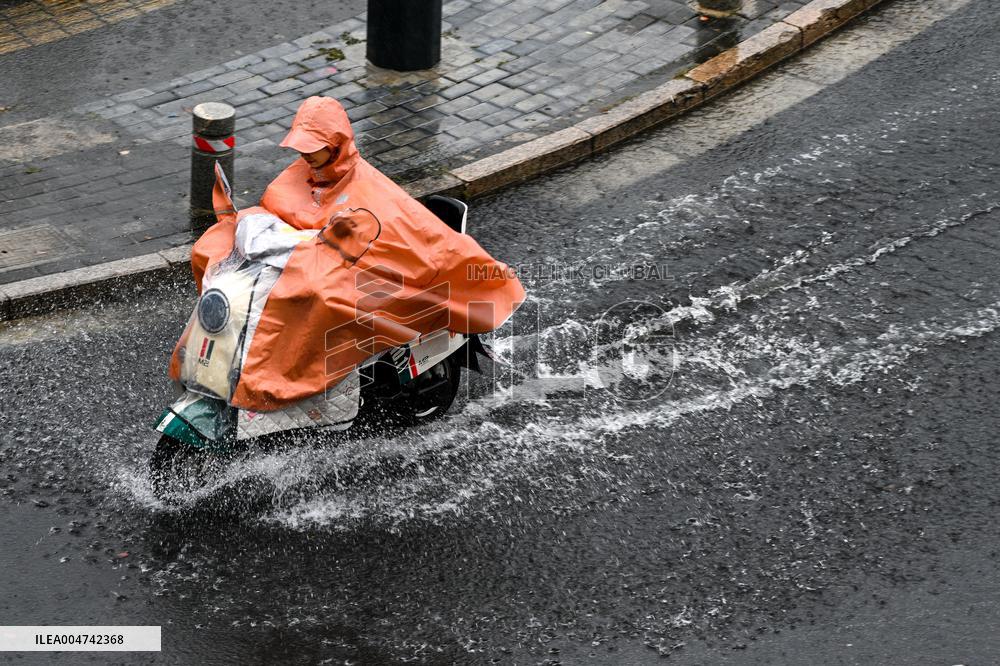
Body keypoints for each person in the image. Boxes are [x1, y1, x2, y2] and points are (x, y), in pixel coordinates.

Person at [175, 96, 525, 411]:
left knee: (317, 297)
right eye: (302, 146)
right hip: (309, 260)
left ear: (336, 145)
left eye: (313, 147)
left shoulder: (368, 187)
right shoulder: (300, 174)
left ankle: (287, 379)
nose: (305, 155)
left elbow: (411, 232)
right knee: (220, 256)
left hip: (361, 272)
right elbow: (278, 209)